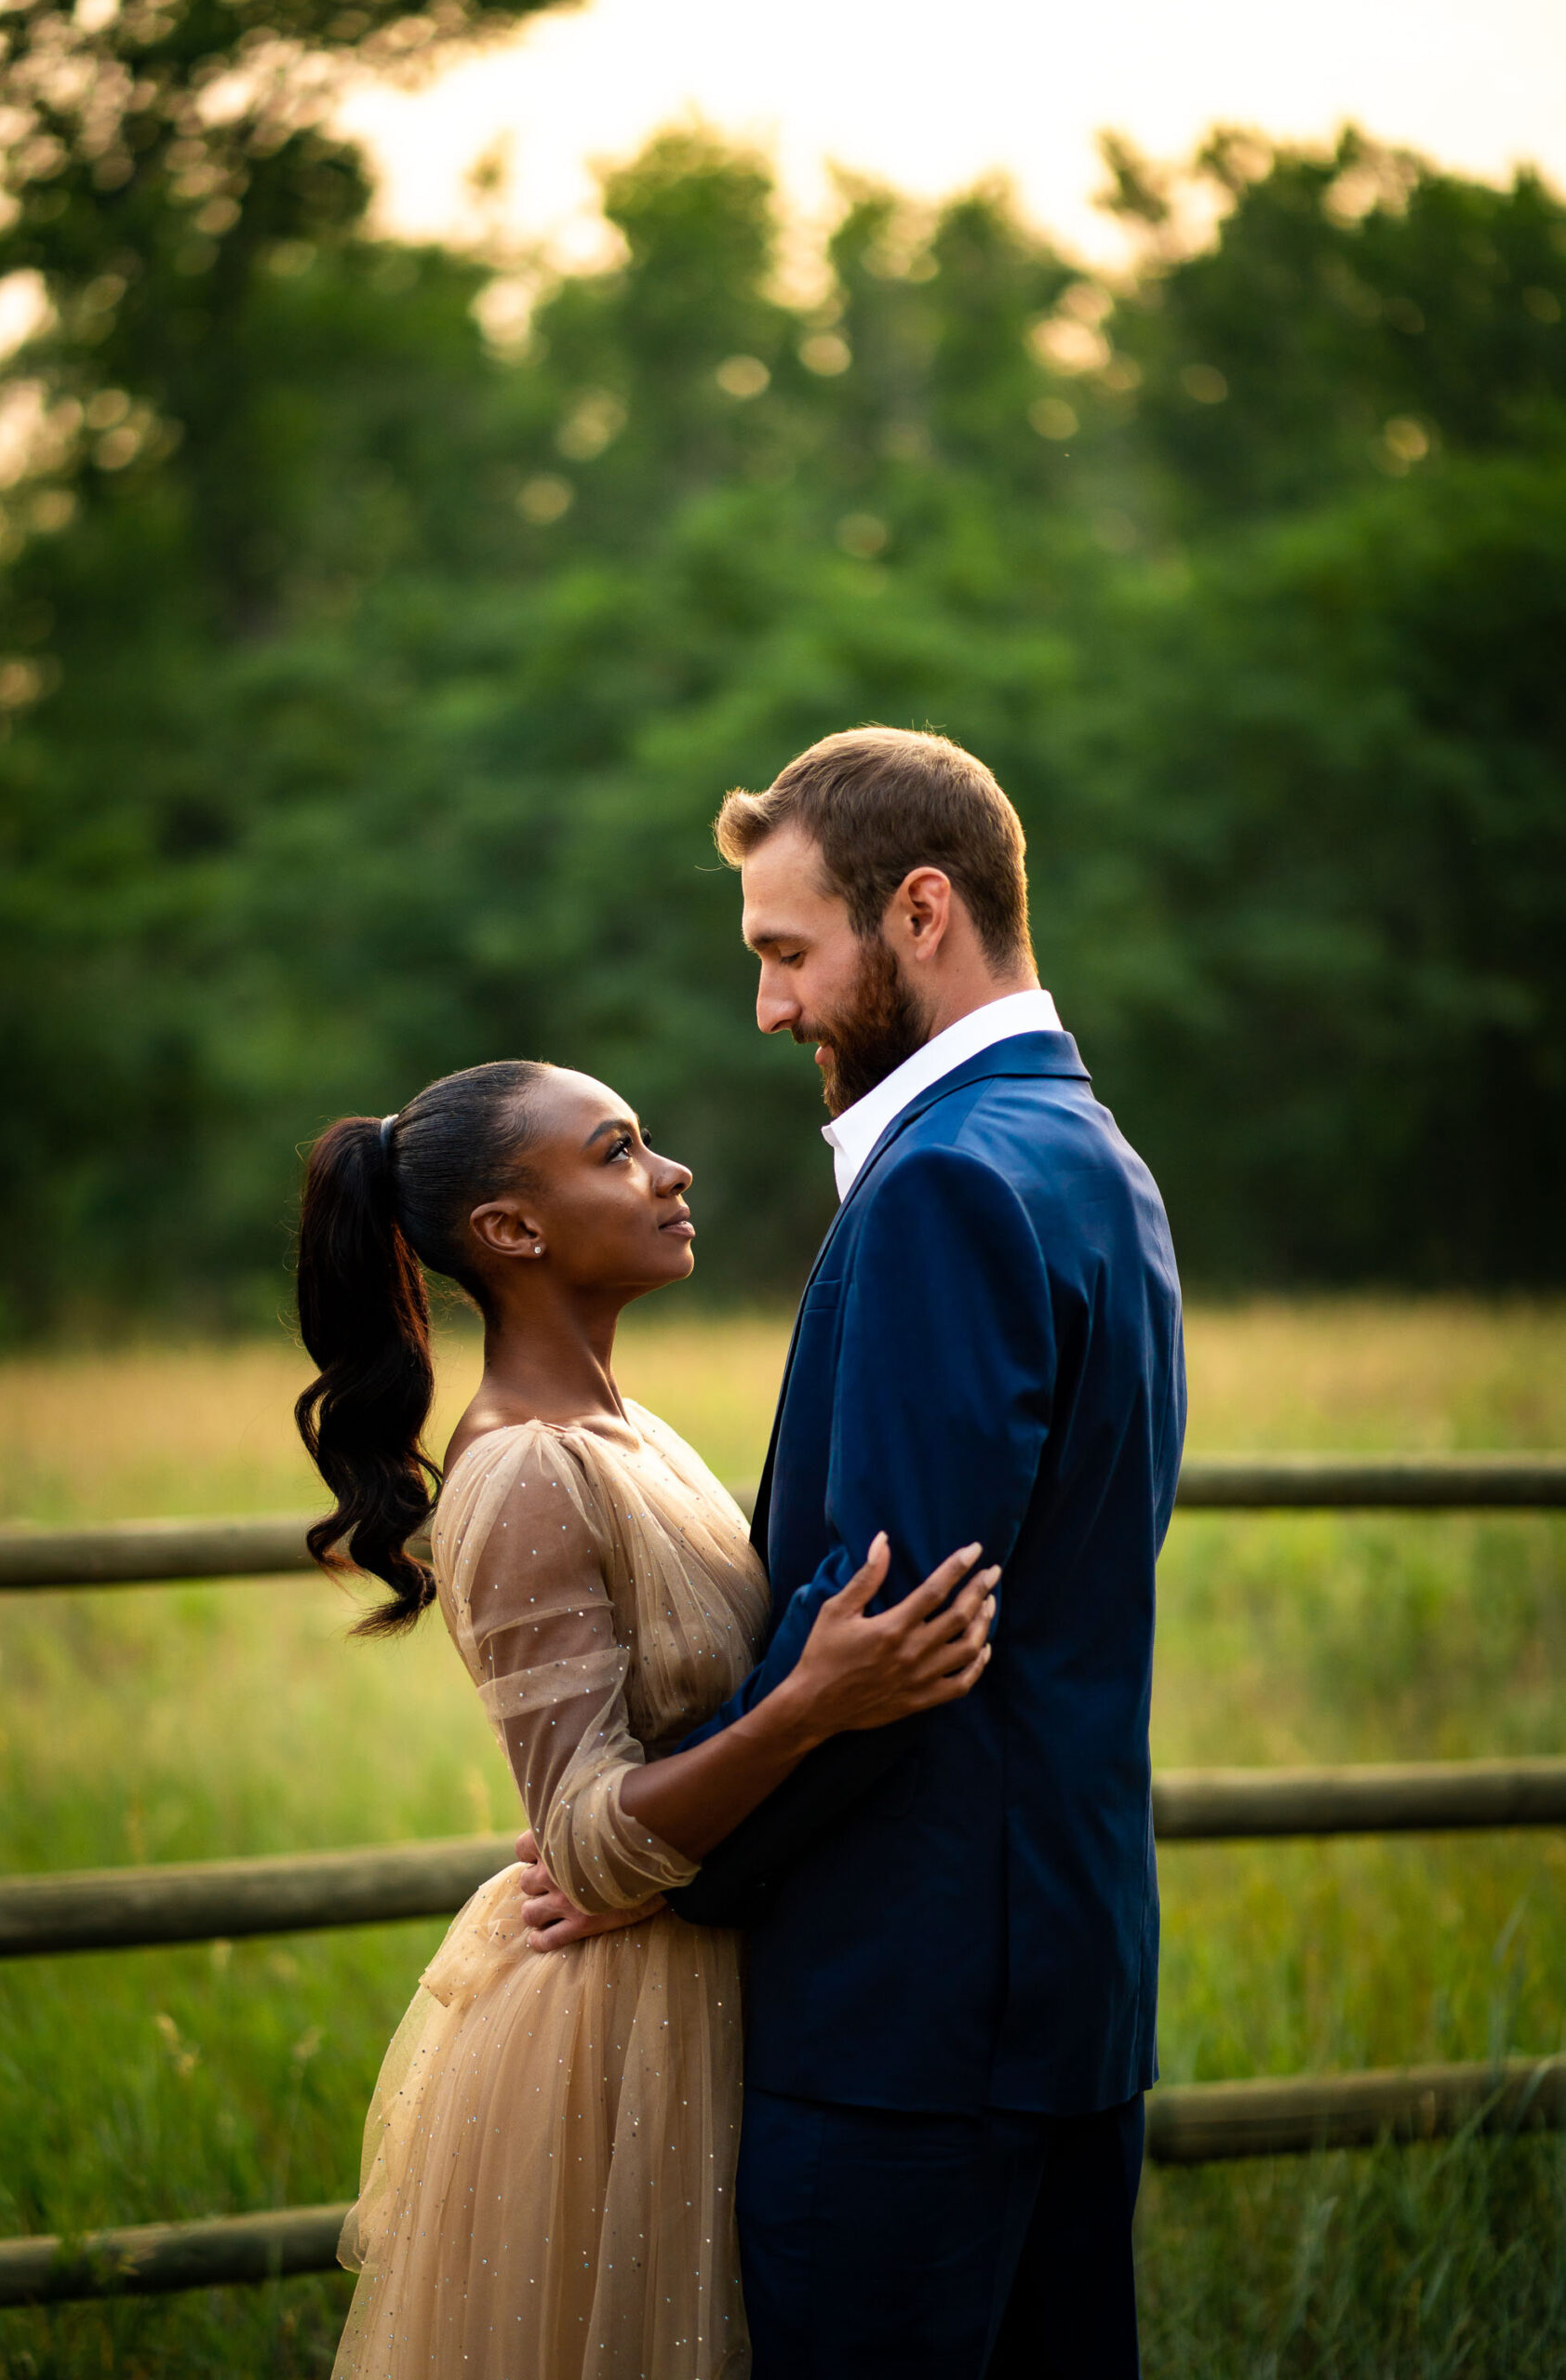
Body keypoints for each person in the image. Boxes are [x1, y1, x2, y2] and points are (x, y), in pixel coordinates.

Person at [522, 728, 1187, 2379]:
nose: (767, 1008)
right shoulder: (1094, 1155)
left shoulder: (946, 1182)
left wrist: (668, 1866)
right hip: (1067, 1987)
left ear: (921, 912)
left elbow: (883, 1634)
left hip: (912, 2013)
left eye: (785, 953)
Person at [292, 1055, 999, 2380]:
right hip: (618, 2039)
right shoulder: (521, 1472)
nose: (670, 1173)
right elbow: (588, 1840)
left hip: (714, 1982)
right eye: (617, 1152)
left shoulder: (629, 1431)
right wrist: (810, 1702)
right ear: (513, 1230)